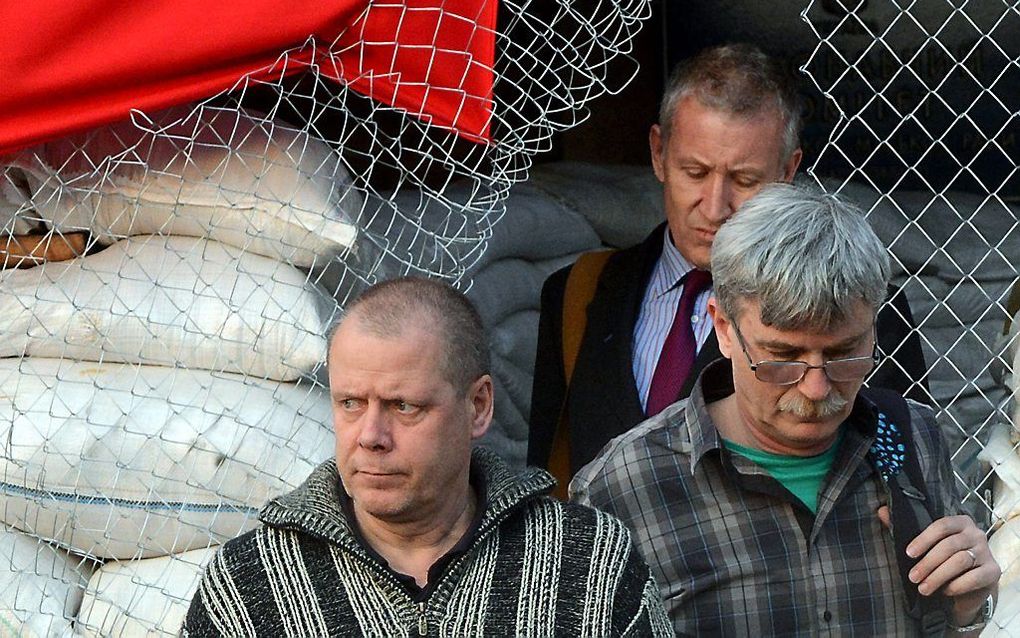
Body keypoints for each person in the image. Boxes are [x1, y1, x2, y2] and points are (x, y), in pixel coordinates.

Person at [571, 184, 999, 636]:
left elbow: (945, 622)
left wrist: (968, 612)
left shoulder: (911, 438)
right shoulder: (621, 488)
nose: (815, 389)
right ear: (724, 328)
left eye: (843, 354)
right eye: (783, 358)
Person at [527, 43, 927, 486]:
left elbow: (897, 465)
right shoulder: (579, 291)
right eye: (695, 172)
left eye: (745, 180)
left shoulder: (853, 303)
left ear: (788, 171)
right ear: (658, 153)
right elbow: (549, 467)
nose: (716, 207)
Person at [183, 277, 671, 637]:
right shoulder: (250, 587)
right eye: (350, 403)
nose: (371, 436)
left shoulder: (586, 562)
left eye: (404, 406)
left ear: (478, 406)